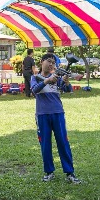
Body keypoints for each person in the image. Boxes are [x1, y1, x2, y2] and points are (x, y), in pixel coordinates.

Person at [30, 53, 81, 184]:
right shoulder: (35, 77)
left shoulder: (56, 78)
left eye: (53, 62)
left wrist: (66, 82)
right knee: (45, 144)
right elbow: (34, 90)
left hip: (58, 113)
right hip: (42, 115)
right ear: (41, 62)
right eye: (49, 61)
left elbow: (67, 90)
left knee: (63, 142)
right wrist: (47, 80)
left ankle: (70, 172)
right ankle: (49, 172)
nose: (51, 64)